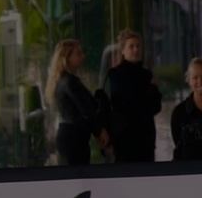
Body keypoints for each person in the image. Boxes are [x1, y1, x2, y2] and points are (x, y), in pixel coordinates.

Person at [45, 39, 109, 165]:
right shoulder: (69, 82)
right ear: (67, 58)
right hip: (73, 138)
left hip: (72, 136)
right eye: (78, 54)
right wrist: (99, 131)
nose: (83, 57)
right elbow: (86, 109)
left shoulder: (63, 80)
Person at [106, 30, 162, 163]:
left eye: (138, 46)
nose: (136, 49)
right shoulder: (115, 74)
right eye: (131, 46)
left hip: (145, 138)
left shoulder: (146, 74)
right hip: (124, 138)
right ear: (123, 50)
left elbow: (155, 106)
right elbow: (120, 104)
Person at [171, 58, 202, 160]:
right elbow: (178, 145)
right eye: (195, 77)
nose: (200, 81)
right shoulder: (179, 113)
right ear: (188, 80)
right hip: (188, 172)